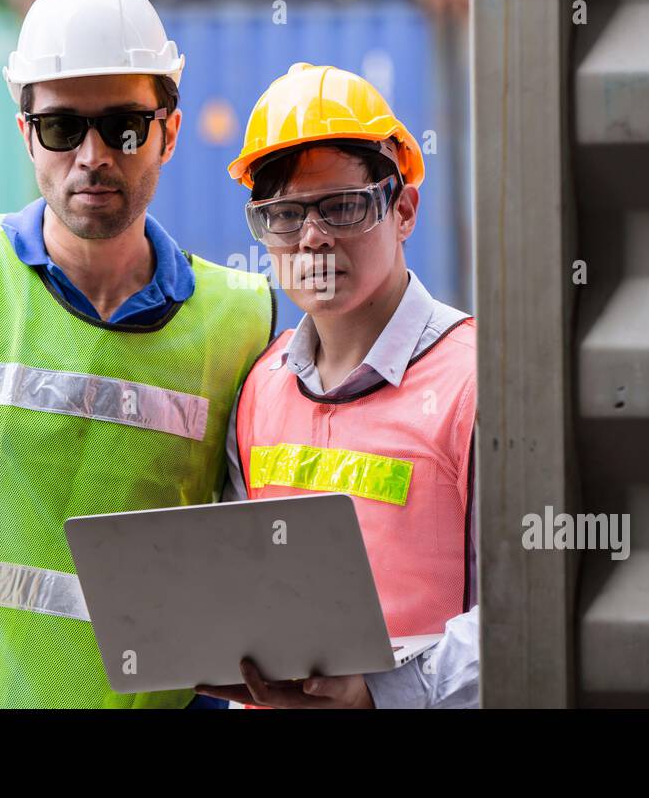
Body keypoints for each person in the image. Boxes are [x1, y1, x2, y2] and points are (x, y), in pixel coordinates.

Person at [0, 0, 274, 708]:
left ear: (170, 131)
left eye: (124, 126)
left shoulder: (246, 320)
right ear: (26, 134)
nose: (93, 155)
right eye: (64, 127)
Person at [198, 63, 479, 709]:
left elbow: (526, 615)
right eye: (285, 215)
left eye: (344, 207)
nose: (313, 237)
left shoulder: (476, 383)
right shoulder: (259, 389)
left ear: (402, 208)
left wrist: (376, 694)